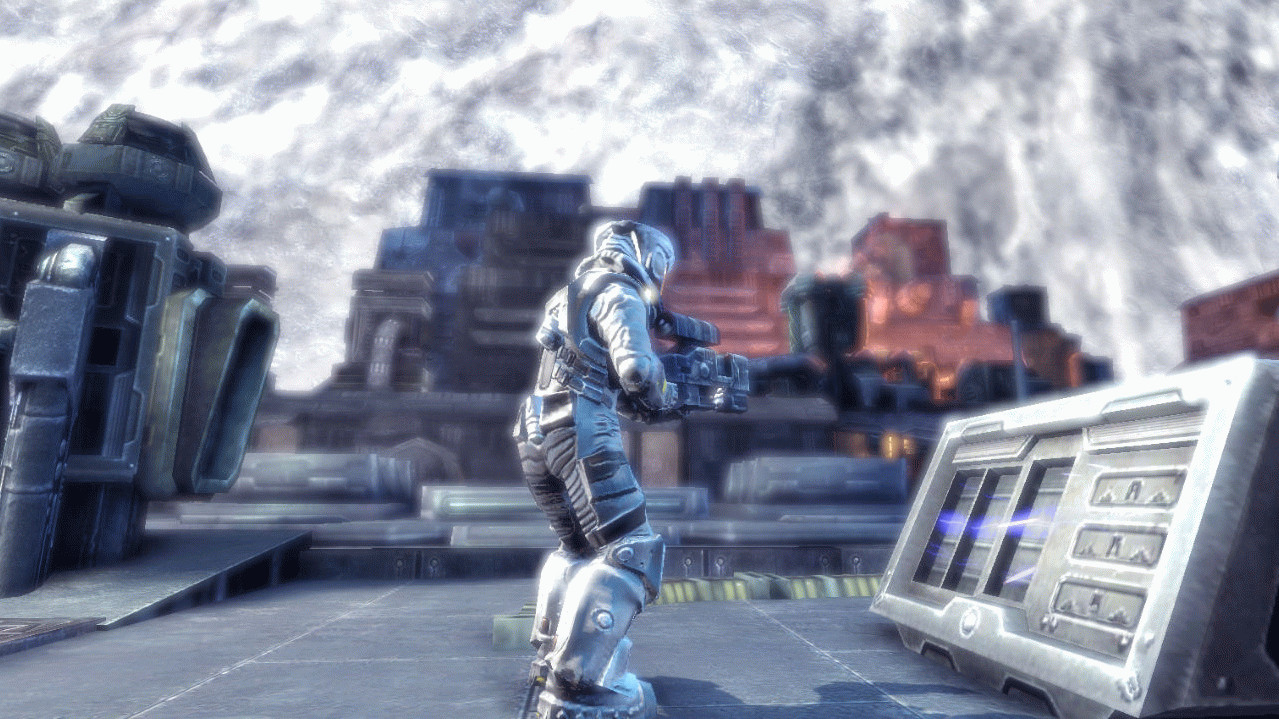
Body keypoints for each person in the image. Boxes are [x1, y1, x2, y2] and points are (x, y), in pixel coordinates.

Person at [513, 220, 679, 719]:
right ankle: (578, 686)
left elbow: (583, 365)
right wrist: (664, 393)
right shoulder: (620, 293)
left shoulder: (566, 296)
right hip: (581, 433)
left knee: (579, 549)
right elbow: (636, 370)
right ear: (646, 256)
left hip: (536, 434)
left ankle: (550, 657)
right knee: (630, 553)